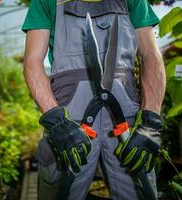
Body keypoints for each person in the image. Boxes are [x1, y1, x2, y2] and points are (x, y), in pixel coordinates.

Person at [22, 0, 166, 199]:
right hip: (69, 117)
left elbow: (150, 55)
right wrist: (57, 122)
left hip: (125, 116)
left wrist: (150, 120)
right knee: (59, 188)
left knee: (138, 187)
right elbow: (32, 61)